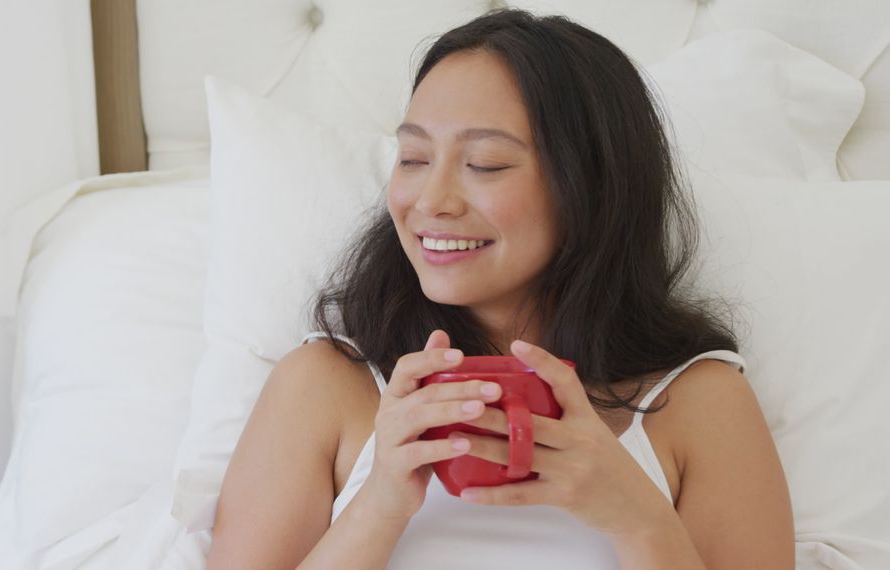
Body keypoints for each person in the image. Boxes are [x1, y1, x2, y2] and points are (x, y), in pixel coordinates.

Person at [206, 8, 794, 569]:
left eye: (485, 164)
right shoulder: (322, 386)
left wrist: (638, 519)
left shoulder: (699, 402)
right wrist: (380, 505)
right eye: (412, 157)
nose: (430, 201)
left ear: (588, 187)